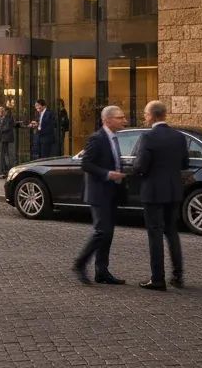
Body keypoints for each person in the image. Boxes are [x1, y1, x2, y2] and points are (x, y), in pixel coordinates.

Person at [132, 100, 189, 291]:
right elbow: (185, 164)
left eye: (146, 114)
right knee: (172, 233)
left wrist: (136, 170)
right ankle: (178, 276)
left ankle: (157, 279)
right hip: (173, 191)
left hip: (153, 192)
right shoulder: (179, 137)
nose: (145, 117)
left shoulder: (147, 138)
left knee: (154, 234)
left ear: (153, 116)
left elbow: (140, 166)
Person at [72, 105, 128, 285]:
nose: (124, 120)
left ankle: (102, 271)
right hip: (99, 193)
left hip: (112, 192)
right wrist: (108, 174)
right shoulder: (97, 138)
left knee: (108, 233)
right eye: (120, 117)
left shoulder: (114, 138)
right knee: (101, 231)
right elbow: (86, 164)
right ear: (107, 120)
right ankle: (80, 264)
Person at [0, 105, 15, 178]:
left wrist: (0, 130)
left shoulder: (9, 118)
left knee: (7, 155)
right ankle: (4, 171)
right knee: (2, 155)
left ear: (2, 112)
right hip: (2, 139)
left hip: (7, 140)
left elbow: (7, 128)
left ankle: (8, 171)